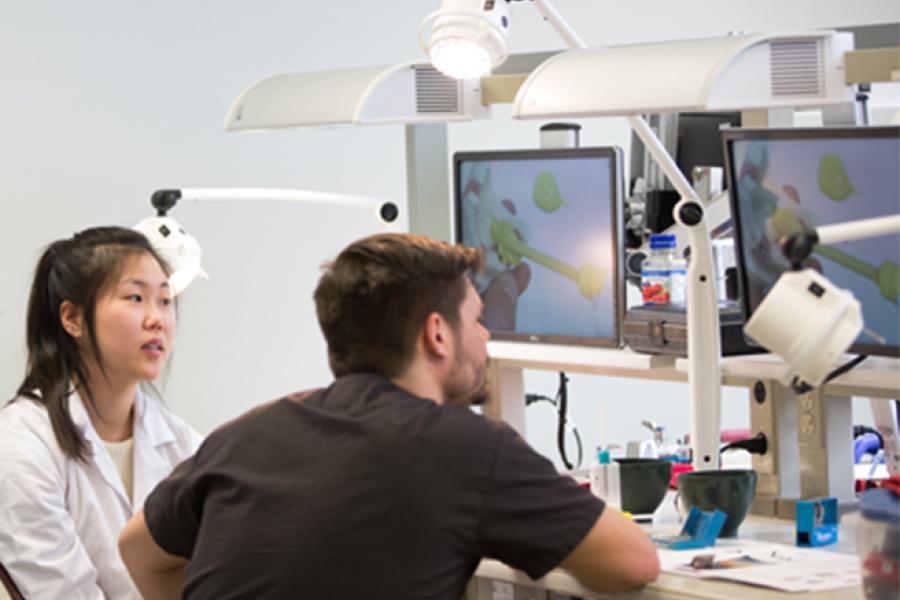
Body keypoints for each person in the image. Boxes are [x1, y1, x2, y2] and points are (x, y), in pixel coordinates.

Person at [119, 233, 659, 599]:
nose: (487, 335)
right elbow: (634, 563)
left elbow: (137, 549)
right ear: (437, 334)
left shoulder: (247, 432)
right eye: (478, 319)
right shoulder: (466, 447)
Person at [0, 226, 201, 599]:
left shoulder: (184, 444)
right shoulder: (20, 443)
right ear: (72, 318)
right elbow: (58, 591)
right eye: (135, 297)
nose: (156, 318)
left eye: (165, 299)